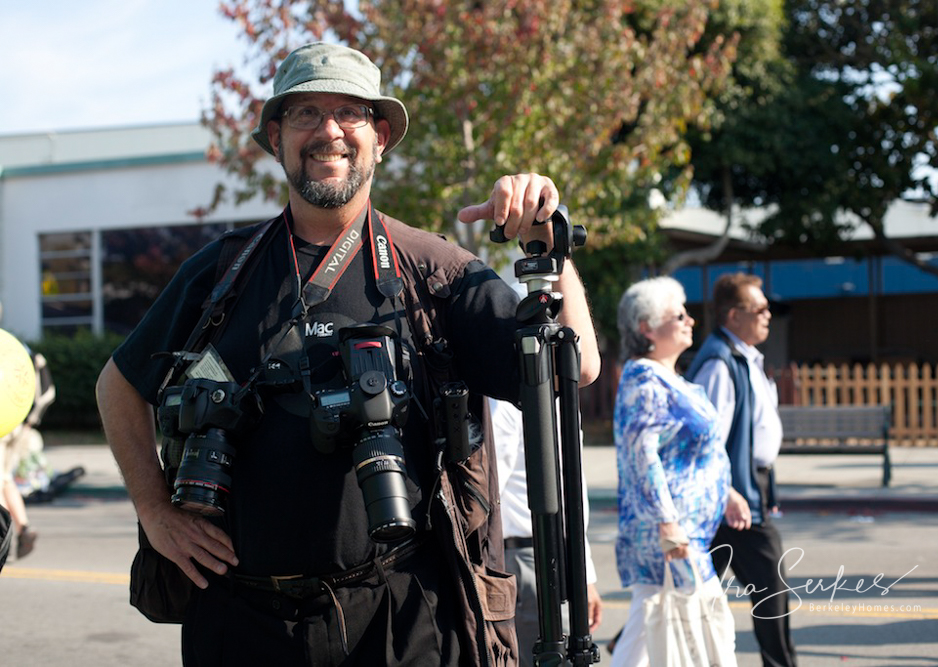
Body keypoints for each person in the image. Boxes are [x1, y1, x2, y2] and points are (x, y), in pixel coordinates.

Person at [95, 42, 599, 666]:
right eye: (305, 113)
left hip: (401, 618)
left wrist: (550, 252)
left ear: (379, 136)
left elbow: (571, 369)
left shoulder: (434, 271)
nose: (328, 131)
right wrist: (154, 510)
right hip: (238, 621)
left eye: (350, 113)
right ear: (276, 138)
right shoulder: (221, 272)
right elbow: (117, 384)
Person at [610, 276, 733, 667]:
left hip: (683, 530)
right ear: (646, 327)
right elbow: (641, 456)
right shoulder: (644, 381)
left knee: (646, 630)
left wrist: (727, 493)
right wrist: (667, 523)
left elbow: (694, 450)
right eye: (678, 315)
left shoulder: (668, 378)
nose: (690, 320)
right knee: (689, 625)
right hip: (667, 533)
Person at [687, 272, 798, 667]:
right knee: (771, 588)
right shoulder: (720, 362)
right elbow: (706, 437)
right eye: (759, 309)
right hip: (733, 492)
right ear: (734, 316)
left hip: (746, 487)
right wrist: (729, 491)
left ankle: (628, 643)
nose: (768, 315)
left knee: (692, 587)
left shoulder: (742, 357)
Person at [489, 396, 603, 663]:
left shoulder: (563, 396)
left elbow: (572, 497)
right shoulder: (505, 401)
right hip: (523, 556)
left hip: (558, 553)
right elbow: (490, 495)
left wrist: (585, 575)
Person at [0, 349, 54, 561]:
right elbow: (48, 392)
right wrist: (31, 420)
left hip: (4, 424)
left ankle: (4, 537)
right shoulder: (23, 352)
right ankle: (23, 528)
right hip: (20, 423)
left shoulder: (9, 348)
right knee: (5, 478)